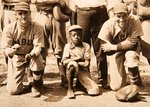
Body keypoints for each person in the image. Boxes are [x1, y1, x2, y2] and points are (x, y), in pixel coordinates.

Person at [1, 2, 45, 97]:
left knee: (38, 58)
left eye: (25, 13)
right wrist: (10, 51)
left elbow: (38, 46)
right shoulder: (9, 28)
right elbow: (5, 47)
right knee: (13, 91)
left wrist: (31, 55)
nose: (23, 16)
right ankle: (22, 84)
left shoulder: (37, 27)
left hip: (31, 55)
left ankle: (36, 84)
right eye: (20, 13)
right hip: (17, 57)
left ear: (30, 13)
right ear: (15, 15)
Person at [98, 3, 143, 91]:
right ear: (114, 15)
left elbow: (133, 44)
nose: (121, 19)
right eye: (118, 16)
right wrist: (124, 44)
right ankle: (127, 75)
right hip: (115, 53)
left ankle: (134, 81)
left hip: (127, 49)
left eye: (124, 16)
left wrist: (114, 47)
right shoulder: (108, 25)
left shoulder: (135, 20)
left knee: (131, 56)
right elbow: (106, 49)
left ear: (129, 14)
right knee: (116, 87)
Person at [31, 0, 73, 88]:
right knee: (40, 47)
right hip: (42, 14)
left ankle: (64, 77)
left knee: (60, 48)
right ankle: (38, 79)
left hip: (57, 15)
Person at [70, 0, 109, 89]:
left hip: (100, 13)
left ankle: (103, 78)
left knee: (100, 48)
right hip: (82, 13)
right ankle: (83, 79)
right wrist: (73, 23)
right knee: (82, 47)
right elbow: (72, 5)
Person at [61, 25, 100, 99]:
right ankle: (70, 89)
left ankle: (80, 85)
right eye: (74, 35)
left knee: (95, 91)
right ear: (70, 36)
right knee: (72, 64)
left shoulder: (86, 46)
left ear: (81, 35)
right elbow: (64, 62)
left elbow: (86, 64)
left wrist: (74, 60)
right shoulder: (67, 46)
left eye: (78, 34)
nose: (76, 37)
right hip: (71, 70)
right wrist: (77, 59)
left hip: (83, 70)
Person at [0, 0, 31, 86]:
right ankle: (10, 74)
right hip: (8, 10)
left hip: (22, 9)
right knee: (8, 45)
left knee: (27, 42)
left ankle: (30, 75)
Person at [137, 0, 150, 64]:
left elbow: (142, 11)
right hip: (129, 21)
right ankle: (134, 73)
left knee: (148, 48)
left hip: (146, 20)